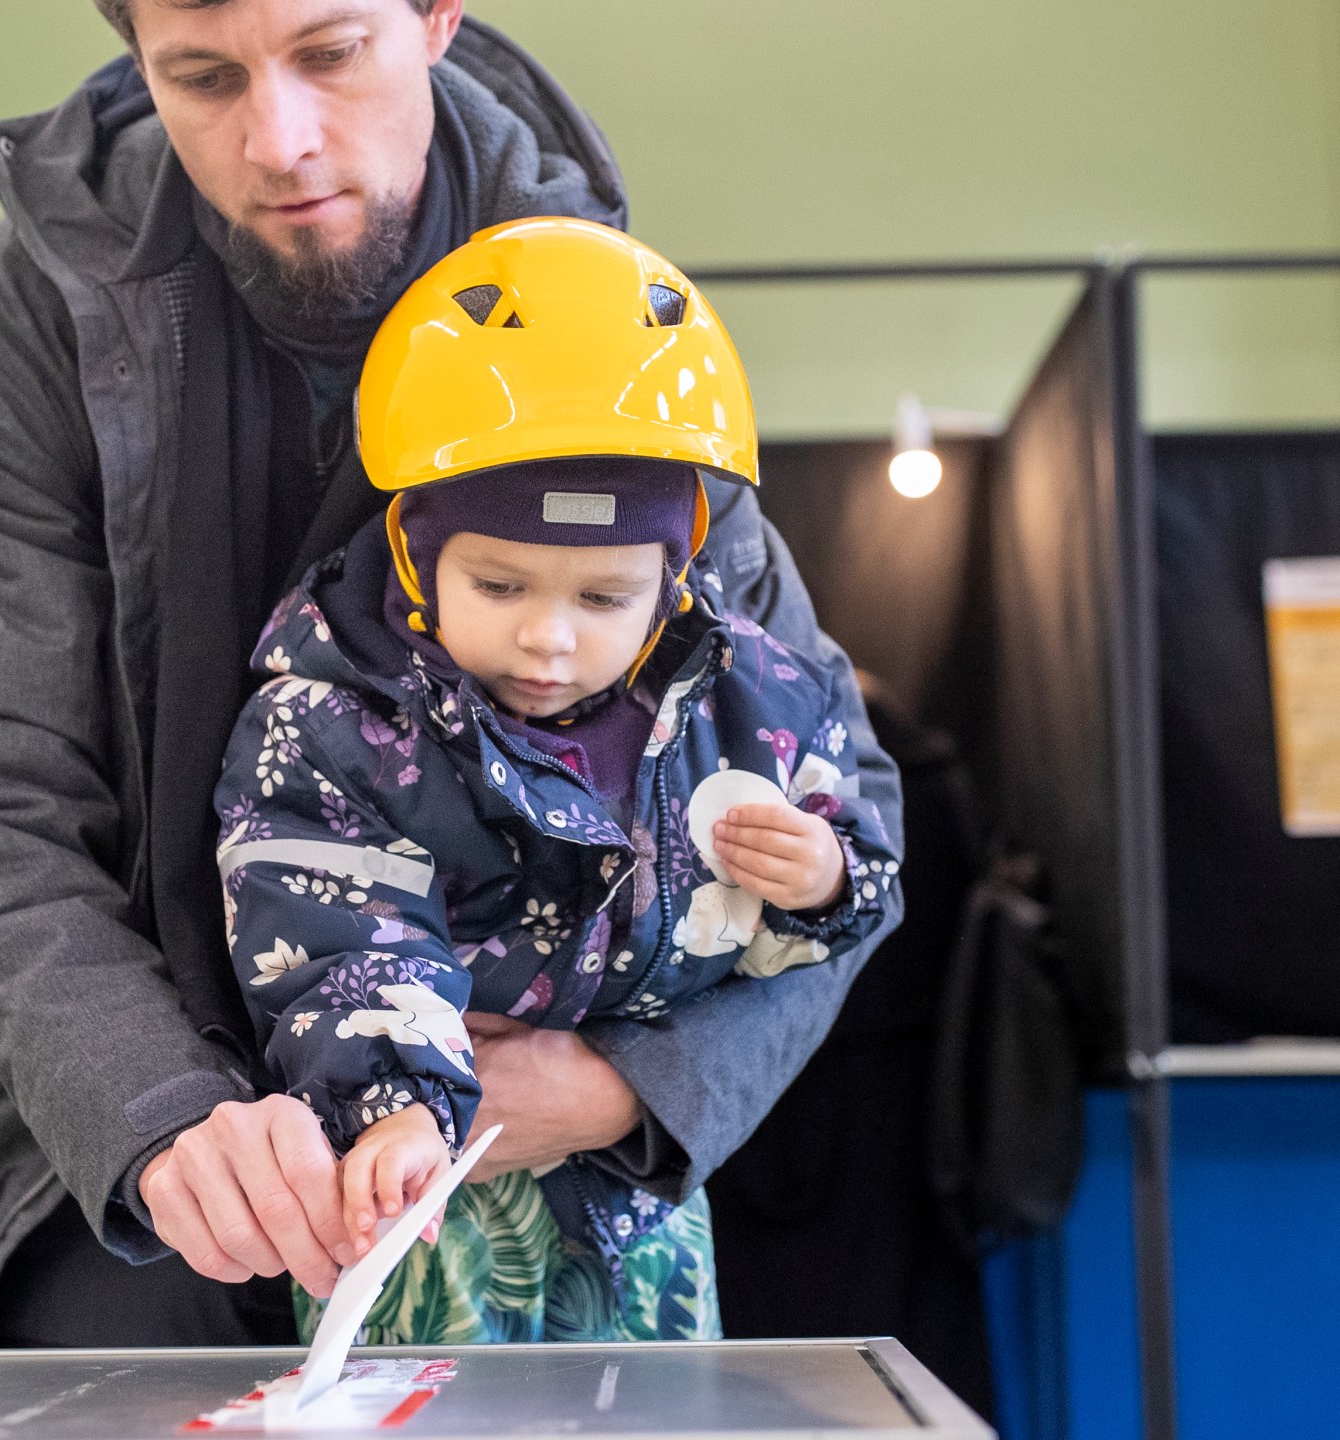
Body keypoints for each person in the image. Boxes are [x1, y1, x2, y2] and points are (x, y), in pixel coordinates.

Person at [0, 0, 905, 1349]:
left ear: (436, 16)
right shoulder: (26, 321)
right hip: (103, 1163)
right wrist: (149, 1107)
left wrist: (626, 1084)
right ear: (135, 56)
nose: (280, 139)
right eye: (202, 76)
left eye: (331, 52)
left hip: (518, 1184)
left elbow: (839, 801)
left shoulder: (609, 316)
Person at [213, 219, 903, 1342]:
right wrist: (389, 1102)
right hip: (411, 1192)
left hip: (638, 1202)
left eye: (603, 599)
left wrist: (826, 880)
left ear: (675, 578)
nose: (550, 641)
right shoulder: (332, 722)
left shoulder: (746, 706)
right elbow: (334, 931)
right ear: (411, 555)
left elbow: (836, 886)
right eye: (499, 585)